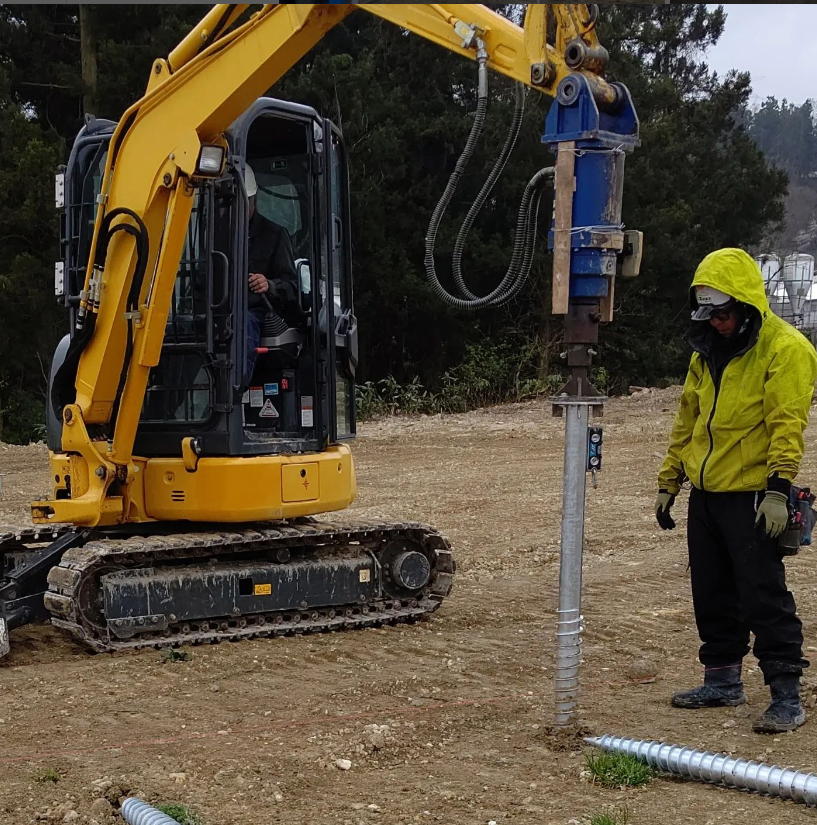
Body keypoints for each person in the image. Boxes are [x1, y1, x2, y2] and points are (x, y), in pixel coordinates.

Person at [655, 247, 817, 734]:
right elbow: (688, 418)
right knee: (712, 590)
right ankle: (722, 680)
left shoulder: (786, 349)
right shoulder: (705, 351)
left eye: (725, 314)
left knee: (762, 594)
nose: (719, 324)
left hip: (752, 493)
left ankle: (786, 693)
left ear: (746, 305)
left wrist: (777, 489)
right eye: (710, 314)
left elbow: (787, 424)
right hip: (707, 493)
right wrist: (669, 482)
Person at [244, 162, 301, 385]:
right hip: (217, 313)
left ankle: (233, 392)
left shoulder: (274, 235)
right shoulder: (214, 236)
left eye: (244, 202)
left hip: (255, 313)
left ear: (253, 200)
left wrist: (269, 285)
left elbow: (291, 286)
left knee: (243, 324)